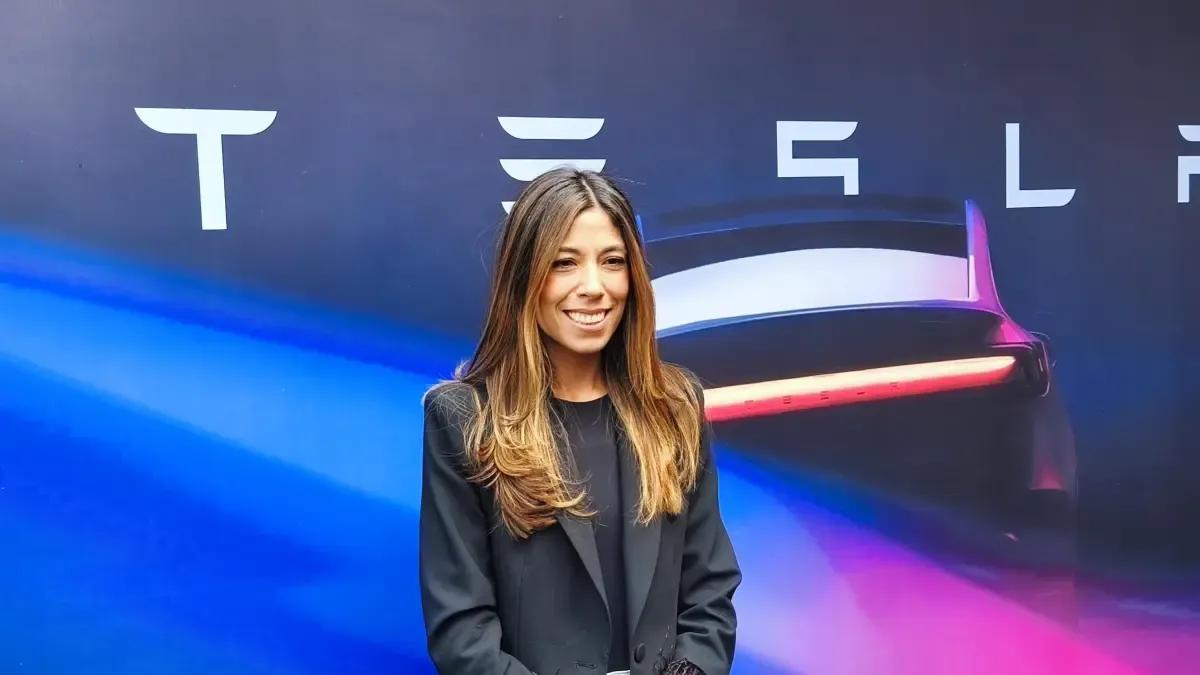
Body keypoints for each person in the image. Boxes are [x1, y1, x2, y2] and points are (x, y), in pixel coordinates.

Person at [419, 168, 741, 675]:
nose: (594, 287)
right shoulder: (464, 419)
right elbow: (462, 631)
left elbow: (710, 593)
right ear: (525, 276)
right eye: (564, 263)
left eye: (612, 261)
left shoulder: (675, 407)